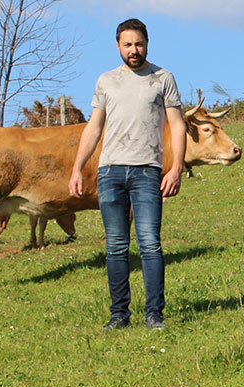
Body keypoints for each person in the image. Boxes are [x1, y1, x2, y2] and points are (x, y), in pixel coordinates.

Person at [69, 18, 186, 330]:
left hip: (148, 171)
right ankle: (119, 315)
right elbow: (93, 128)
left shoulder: (163, 78)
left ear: (147, 43)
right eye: (127, 44)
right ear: (118, 46)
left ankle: (154, 315)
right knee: (116, 246)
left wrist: (176, 167)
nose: (134, 50)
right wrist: (77, 168)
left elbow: (177, 125)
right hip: (110, 172)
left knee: (149, 244)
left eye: (139, 44)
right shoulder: (106, 81)